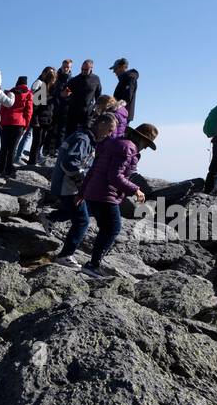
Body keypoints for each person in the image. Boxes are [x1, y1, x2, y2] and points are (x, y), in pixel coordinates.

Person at [63, 123, 156, 277]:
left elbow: (94, 168)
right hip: (105, 194)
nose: (145, 148)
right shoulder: (128, 148)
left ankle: (92, 263)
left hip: (94, 192)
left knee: (106, 228)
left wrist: (82, 192)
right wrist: (136, 189)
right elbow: (115, 176)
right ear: (141, 139)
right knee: (112, 228)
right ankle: (93, 265)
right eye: (146, 144)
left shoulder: (114, 143)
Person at [47, 115, 116, 260]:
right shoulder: (83, 139)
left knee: (81, 210)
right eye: (109, 130)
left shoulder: (86, 138)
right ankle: (65, 255)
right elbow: (70, 163)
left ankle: (49, 217)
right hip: (67, 187)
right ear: (100, 124)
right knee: (82, 220)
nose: (110, 134)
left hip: (66, 185)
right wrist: (81, 184)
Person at [0, 76, 34, 177]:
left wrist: (1, 121)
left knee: (4, 147)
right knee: (12, 148)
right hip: (19, 123)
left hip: (5, 122)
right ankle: (9, 170)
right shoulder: (28, 94)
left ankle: (0, 169)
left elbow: (3, 108)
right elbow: (29, 111)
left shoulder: (9, 92)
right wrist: (26, 125)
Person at [27, 67, 57, 166]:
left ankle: (34, 160)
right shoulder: (42, 89)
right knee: (37, 142)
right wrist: (35, 120)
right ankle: (32, 162)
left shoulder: (51, 91)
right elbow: (35, 106)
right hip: (39, 120)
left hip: (46, 120)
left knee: (40, 142)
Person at [46, 58, 73, 156]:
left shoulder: (72, 79)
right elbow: (50, 90)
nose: (66, 69)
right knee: (50, 128)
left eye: (68, 67)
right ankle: (47, 149)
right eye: (65, 67)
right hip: (53, 105)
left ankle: (58, 149)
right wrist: (59, 94)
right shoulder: (56, 76)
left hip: (65, 107)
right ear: (62, 66)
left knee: (62, 130)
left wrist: (69, 95)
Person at [64, 59, 101, 133]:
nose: (83, 71)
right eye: (82, 69)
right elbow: (65, 93)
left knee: (84, 135)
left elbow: (98, 96)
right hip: (73, 114)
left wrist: (97, 110)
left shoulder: (96, 79)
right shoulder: (74, 80)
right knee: (69, 136)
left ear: (91, 68)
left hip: (87, 114)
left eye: (86, 69)